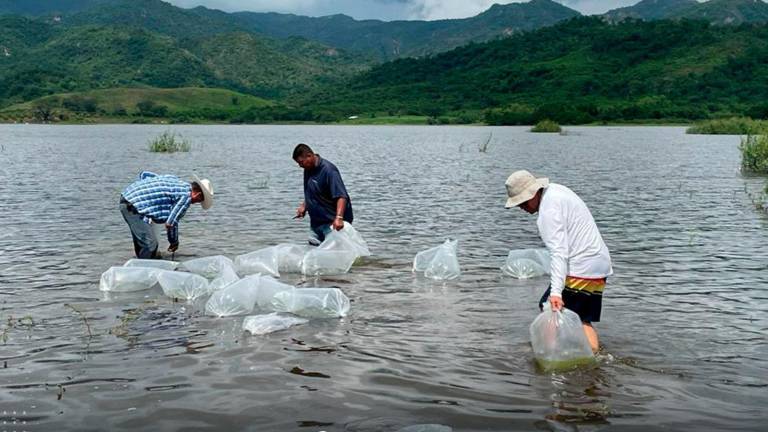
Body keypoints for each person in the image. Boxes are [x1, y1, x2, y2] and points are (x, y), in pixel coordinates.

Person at [505, 170, 612, 352]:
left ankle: (548, 354)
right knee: (583, 318)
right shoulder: (556, 191)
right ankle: (596, 359)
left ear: (533, 193)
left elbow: (558, 252)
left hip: (581, 266)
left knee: (548, 307)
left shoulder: (548, 211)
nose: (521, 207)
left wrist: (556, 293)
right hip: (598, 264)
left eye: (522, 202)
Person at [119, 171, 213, 258]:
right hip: (132, 207)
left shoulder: (174, 180)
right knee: (151, 244)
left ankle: (140, 265)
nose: (194, 203)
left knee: (143, 244)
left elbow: (144, 174)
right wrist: (174, 242)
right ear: (198, 195)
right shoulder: (186, 196)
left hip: (127, 197)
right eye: (198, 201)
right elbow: (171, 223)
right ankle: (145, 270)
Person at [292, 143, 353, 244]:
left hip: (332, 223)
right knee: (313, 254)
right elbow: (312, 191)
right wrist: (304, 206)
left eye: (301, 162)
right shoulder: (308, 169)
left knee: (333, 255)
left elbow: (342, 196)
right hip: (316, 224)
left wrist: (339, 218)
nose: (300, 166)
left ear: (309, 156)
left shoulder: (329, 170)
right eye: (298, 163)